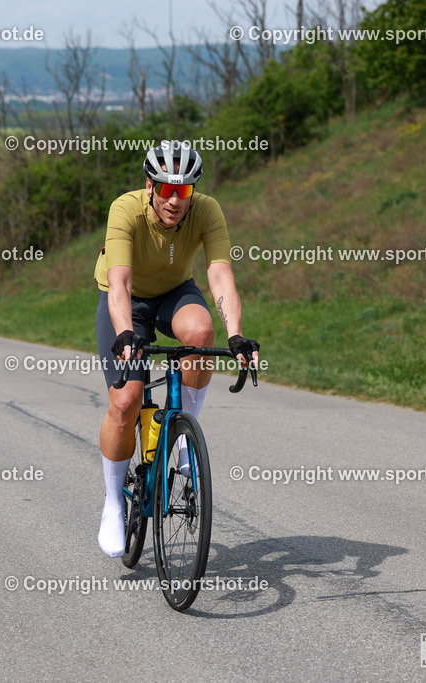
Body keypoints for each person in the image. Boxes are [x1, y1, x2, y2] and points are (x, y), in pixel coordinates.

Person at [93, 140, 260, 558]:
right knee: (126, 401)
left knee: (201, 333)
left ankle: (184, 432)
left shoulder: (207, 210)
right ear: (150, 186)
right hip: (128, 301)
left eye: (183, 190)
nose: (174, 200)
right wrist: (126, 334)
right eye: (166, 189)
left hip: (174, 293)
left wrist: (236, 335)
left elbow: (220, 274)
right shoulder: (125, 209)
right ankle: (113, 503)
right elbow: (119, 282)